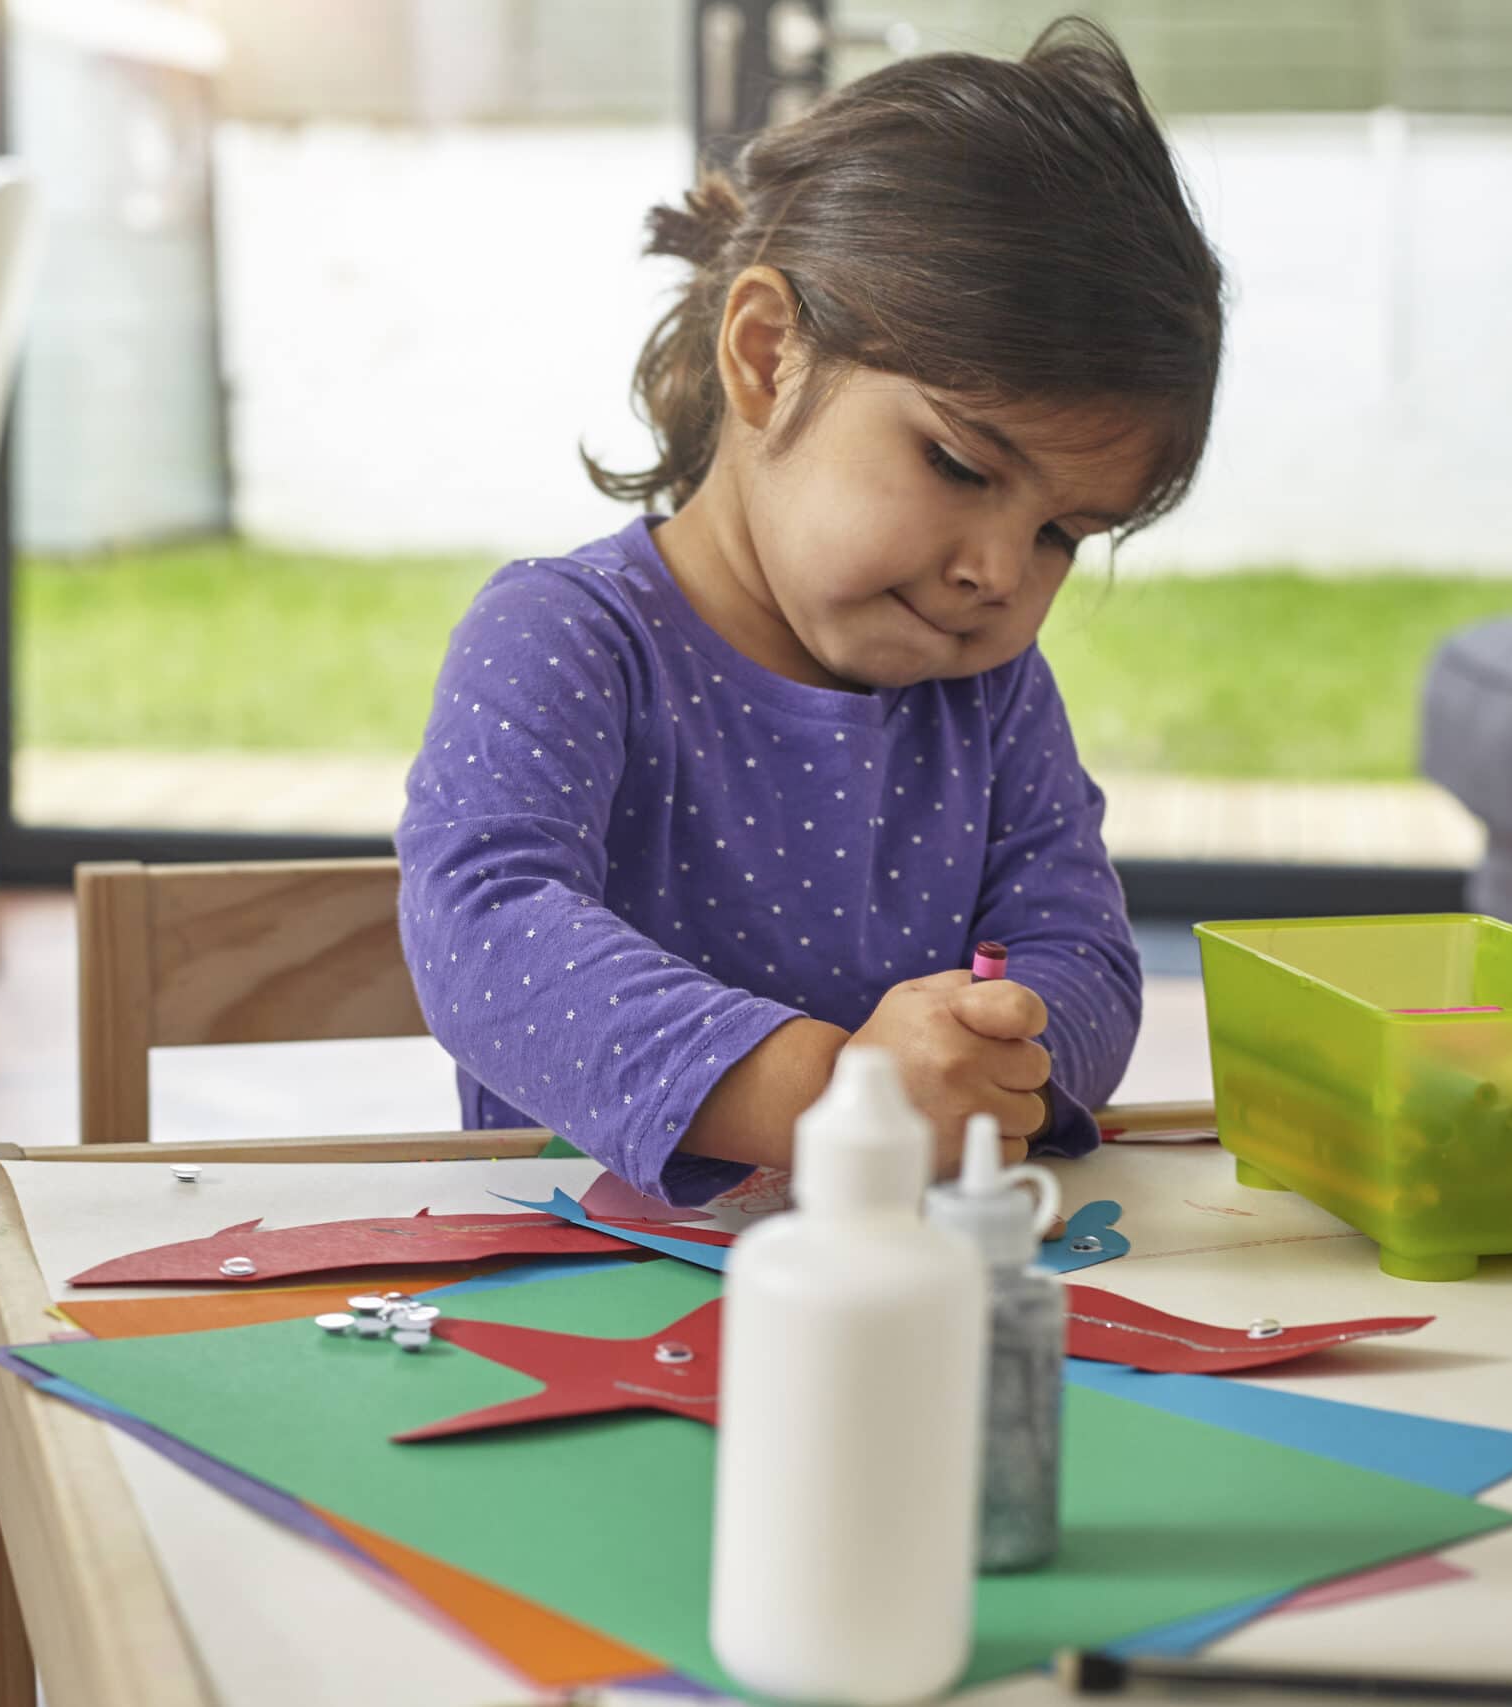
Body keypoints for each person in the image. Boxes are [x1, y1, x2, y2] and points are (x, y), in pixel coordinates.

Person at [396, 19, 1224, 1204]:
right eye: (957, 465)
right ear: (767, 353)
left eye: (1061, 534)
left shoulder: (989, 695)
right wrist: (845, 1097)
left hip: (913, 1286)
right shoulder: (566, 635)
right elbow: (484, 930)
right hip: (579, 1277)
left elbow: (1081, 950)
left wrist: (999, 1060)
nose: (999, 571)